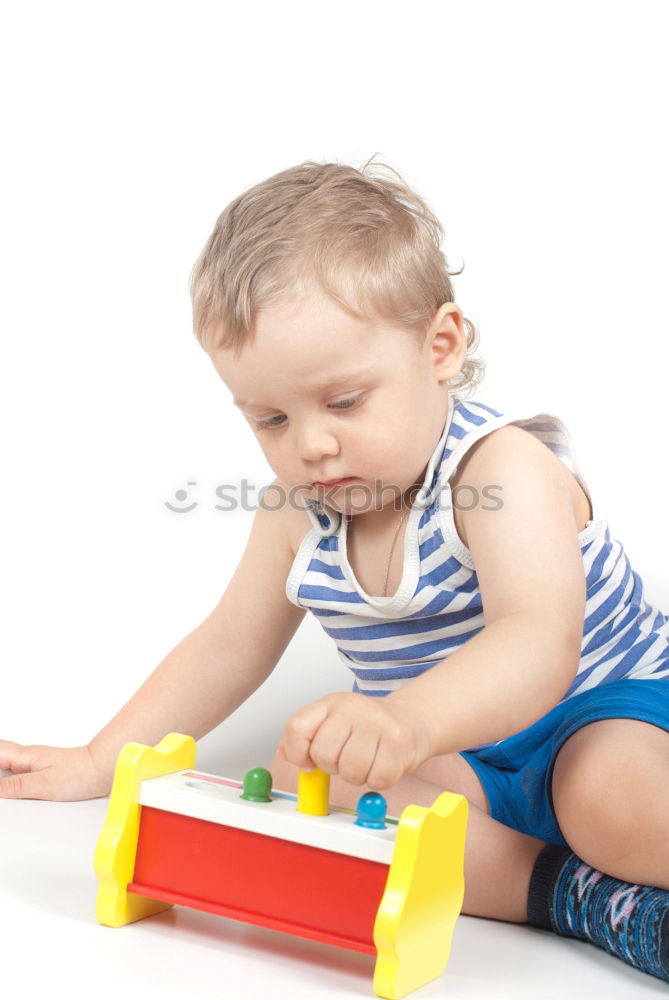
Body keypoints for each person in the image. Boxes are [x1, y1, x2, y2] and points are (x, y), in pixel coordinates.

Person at [1, 159, 668, 984]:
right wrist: (100, 760)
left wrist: (409, 720)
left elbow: (539, 641)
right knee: (309, 786)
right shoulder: (296, 510)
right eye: (272, 418)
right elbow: (226, 647)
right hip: (467, 758)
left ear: (440, 348)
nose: (310, 445)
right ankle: (582, 900)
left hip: (608, 712)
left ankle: (608, 860)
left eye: (344, 402)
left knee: (606, 798)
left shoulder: (499, 470)